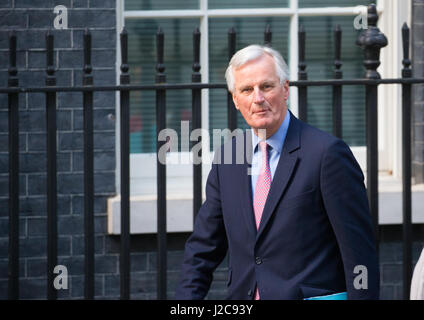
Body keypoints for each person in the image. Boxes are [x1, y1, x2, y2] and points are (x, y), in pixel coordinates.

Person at [175, 44, 379, 300]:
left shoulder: (327, 154)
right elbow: (202, 250)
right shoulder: (228, 158)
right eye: (247, 90)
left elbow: (359, 254)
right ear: (236, 99)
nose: (257, 98)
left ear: (285, 89)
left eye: (266, 86)